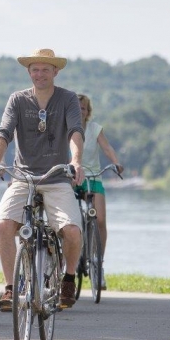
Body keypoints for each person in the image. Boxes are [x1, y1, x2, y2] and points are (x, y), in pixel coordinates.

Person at [0, 48, 85, 311]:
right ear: (29, 72)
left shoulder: (68, 99)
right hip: (23, 177)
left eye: (45, 70)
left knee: (72, 230)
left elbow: (75, 131)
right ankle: (10, 288)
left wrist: (76, 161)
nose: (40, 74)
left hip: (56, 176)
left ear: (55, 72)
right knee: (4, 225)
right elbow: (3, 133)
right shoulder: (17, 100)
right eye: (35, 69)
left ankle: (69, 278)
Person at [76, 94, 124, 289]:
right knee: (69, 220)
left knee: (101, 220)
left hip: (93, 177)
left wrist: (116, 162)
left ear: (88, 112)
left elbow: (107, 148)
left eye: (84, 108)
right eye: (77, 107)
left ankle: (98, 263)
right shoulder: (65, 127)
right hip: (72, 177)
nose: (80, 111)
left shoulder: (95, 129)